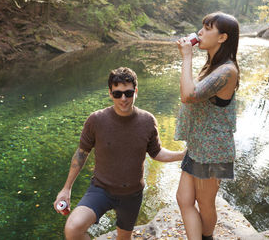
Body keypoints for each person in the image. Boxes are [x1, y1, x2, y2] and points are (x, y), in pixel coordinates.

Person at [54, 67, 186, 240]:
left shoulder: (147, 121)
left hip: (132, 195)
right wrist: (66, 189)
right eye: (117, 94)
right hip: (100, 190)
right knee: (72, 228)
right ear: (110, 93)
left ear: (136, 91)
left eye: (128, 93)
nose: (123, 99)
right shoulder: (96, 120)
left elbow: (157, 153)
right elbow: (81, 153)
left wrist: (183, 154)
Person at [175, 12, 240, 240]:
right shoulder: (212, 66)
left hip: (212, 150)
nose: (200, 32)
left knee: (205, 203)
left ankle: (206, 237)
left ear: (222, 38)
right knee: (183, 199)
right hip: (198, 146)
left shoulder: (227, 71)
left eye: (207, 28)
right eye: (201, 27)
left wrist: (186, 57)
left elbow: (188, 95)